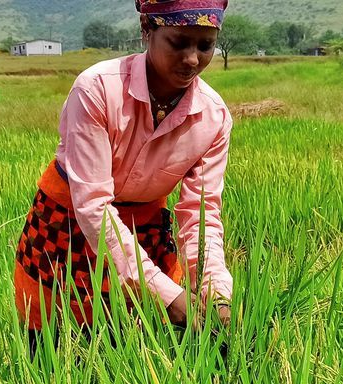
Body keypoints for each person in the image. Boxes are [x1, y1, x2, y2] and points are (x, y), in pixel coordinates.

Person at [14, 0, 234, 339]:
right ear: (147, 30)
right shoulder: (98, 88)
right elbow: (92, 205)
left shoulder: (214, 117)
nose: (192, 59)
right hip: (67, 224)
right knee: (53, 342)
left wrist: (215, 289)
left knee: (141, 342)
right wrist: (167, 292)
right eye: (178, 43)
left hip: (145, 228)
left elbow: (200, 214)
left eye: (205, 46)